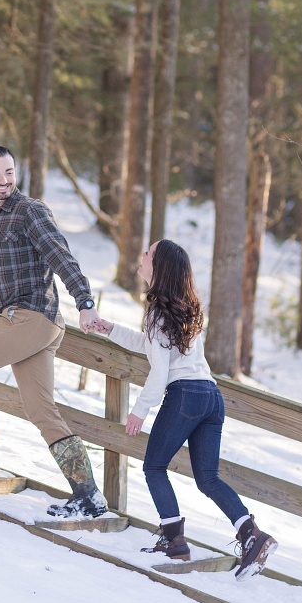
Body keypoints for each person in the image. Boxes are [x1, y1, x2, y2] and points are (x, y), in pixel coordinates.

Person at [0, 145, 107, 519]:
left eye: (9, 172)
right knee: (40, 410)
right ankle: (88, 494)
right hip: (29, 324)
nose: (3, 180)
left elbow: (61, 255)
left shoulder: (30, 211)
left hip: (33, 316)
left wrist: (85, 301)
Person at [90, 239, 277, 580]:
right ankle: (251, 534)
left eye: (148, 253)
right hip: (210, 397)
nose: (142, 255)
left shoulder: (159, 311)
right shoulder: (182, 308)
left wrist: (139, 409)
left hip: (184, 396)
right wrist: (110, 328)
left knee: (154, 467)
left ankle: (174, 541)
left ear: (158, 267)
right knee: (208, 478)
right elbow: (150, 347)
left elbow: (160, 371)